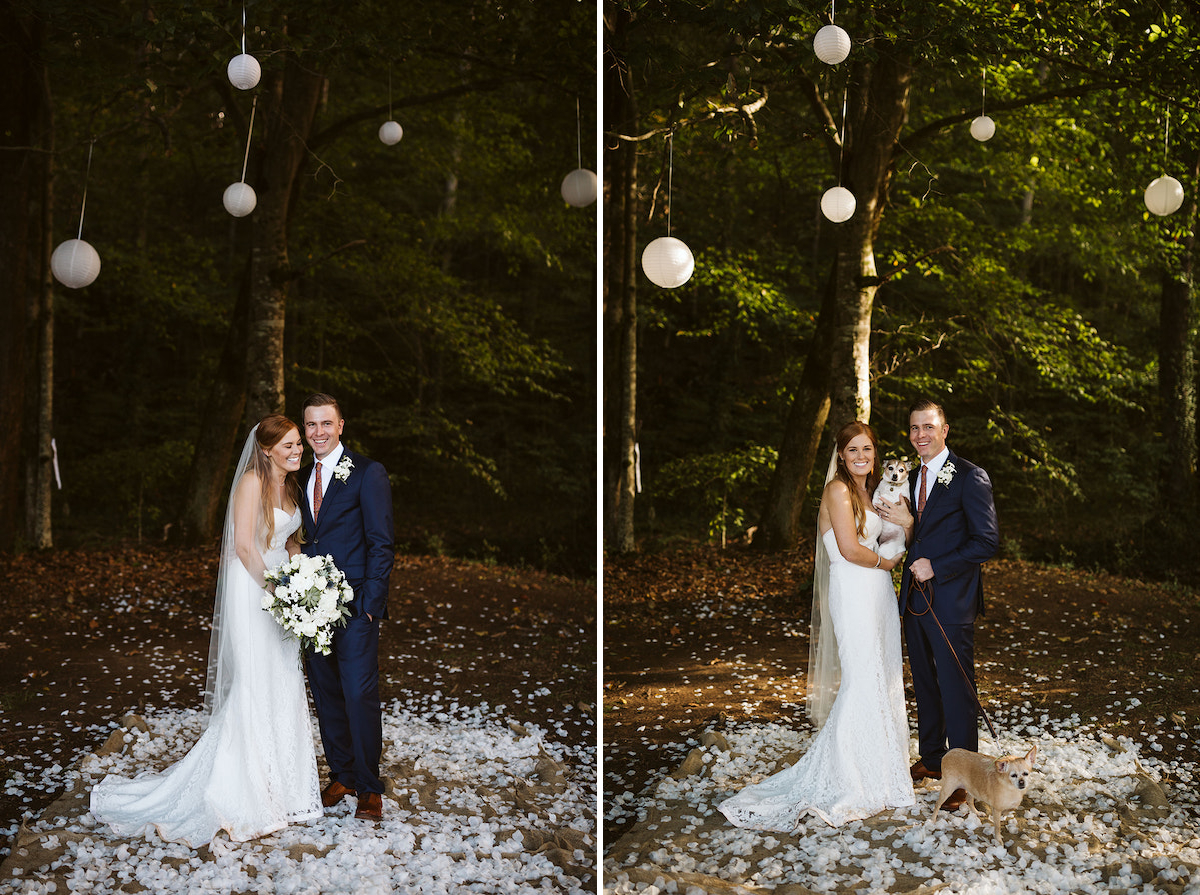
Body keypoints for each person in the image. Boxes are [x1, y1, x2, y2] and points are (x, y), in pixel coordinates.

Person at [90, 416, 322, 846]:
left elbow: (290, 540)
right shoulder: (250, 482)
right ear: (267, 448)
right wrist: (280, 591)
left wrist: (303, 577)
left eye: (298, 444)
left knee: (283, 680)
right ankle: (246, 793)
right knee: (254, 683)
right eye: (289, 445)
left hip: (282, 587)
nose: (297, 451)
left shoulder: (290, 485)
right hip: (252, 589)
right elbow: (244, 546)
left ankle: (283, 791)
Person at [718, 421, 915, 831]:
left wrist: (904, 532)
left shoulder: (874, 490)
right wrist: (888, 564)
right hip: (855, 589)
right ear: (840, 456)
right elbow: (847, 548)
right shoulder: (838, 490)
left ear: (876, 453)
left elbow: (894, 533)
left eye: (868, 449)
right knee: (861, 680)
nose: (862, 457)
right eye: (853, 451)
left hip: (878, 593)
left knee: (883, 678)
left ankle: (881, 773)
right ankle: (848, 777)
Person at [880, 399, 998, 811]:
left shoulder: (970, 476)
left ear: (945, 430)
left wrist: (938, 566)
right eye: (914, 429)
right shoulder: (909, 478)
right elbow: (917, 534)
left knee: (956, 687)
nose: (920, 436)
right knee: (926, 684)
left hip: (951, 600)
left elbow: (986, 541)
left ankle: (964, 776)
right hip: (915, 600)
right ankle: (933, 759)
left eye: (928, 427)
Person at [299, 393, 394, 821]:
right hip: (309, 606)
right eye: (310, 425)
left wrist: (371, 604)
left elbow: (381, 541)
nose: (317, 432)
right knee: (326, 692)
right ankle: (342, 774)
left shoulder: (367, 473)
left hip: (356, 606)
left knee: (359, 694)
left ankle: (370, 787)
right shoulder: (299, 477)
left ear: (341, 426)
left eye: (325, 424)